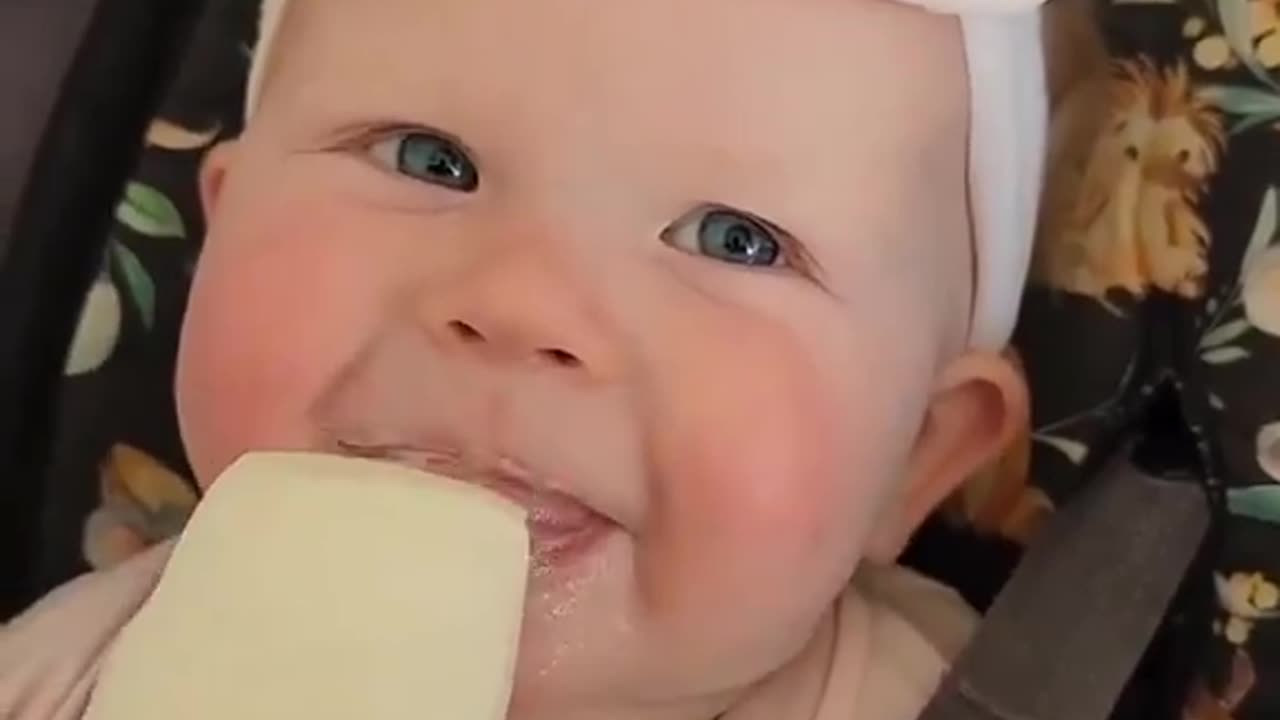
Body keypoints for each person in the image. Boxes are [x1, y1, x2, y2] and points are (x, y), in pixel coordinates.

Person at [0, 0, 1048, 718]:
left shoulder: (977, 696)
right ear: (218, 234)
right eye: (428, 159)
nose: (519, 304)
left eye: (735, 239)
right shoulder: (55, 680)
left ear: (913, 452)